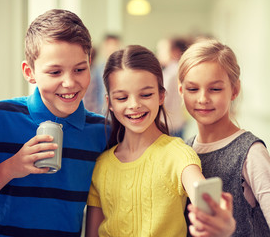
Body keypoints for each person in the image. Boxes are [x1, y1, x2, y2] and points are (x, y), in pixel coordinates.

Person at [0, 9, 109, 236]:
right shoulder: (0, 117)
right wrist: (12, 167)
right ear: (30, 72)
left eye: (79, 69)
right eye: (55, 72)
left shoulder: (102, 132)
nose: (69, 82)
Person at [85, 45, 235, 237]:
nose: (134, 105)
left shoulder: (177, 154)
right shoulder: (101, 165)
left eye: (146, 94)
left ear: (161, 96)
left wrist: (220, 222)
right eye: (122, 97)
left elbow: (202, 195)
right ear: (109, 103)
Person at [178, 39, 270, 236]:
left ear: (234, 90)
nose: (203, 98)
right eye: (193, 89)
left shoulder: (251, 152)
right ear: (181, 91)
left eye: (215, 89)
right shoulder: (182, 152)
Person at [156, 36, 190, 138]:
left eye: (162, 50)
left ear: (175, 51)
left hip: (169, 125)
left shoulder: (171, 74)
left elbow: (162, 100)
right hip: (178, 122)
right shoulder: (178, 69)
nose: (159, 53)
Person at [83, 34, 121, 115]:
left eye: (115, 45)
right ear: (104, 48)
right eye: (109, 46)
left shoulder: (123, 69)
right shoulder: (97, 70)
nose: (112, 49)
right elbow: (92, 94)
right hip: (101, 112)